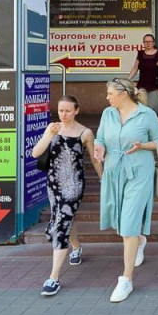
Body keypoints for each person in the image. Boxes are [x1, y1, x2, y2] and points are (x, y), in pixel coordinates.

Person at [93, 77, 158, 304]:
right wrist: (99, 146)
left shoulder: (146, 114)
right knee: (123, 222)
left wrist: (142, 145)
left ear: (123, 94)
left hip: (139, 171)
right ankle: (139, 241)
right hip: (114, 169)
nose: (107, 97)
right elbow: (100, 137)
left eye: (110, 93)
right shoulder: (108, 114)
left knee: (128, 223)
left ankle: (126, 279)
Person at [30, 95, 101, 297]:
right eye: (61, 110)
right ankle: (76, 246)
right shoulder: (53, 128)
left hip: (74, 184)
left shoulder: (85, 133)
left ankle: (53, 278)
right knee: (64, 218)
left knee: (61, 224)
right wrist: (48, 136)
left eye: (68, 110)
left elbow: (95, 159)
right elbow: (36, 153)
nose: (64, 114)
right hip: (54, 183)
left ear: (76, 111)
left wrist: (103, 178)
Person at [130, 33, 158, 127]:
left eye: (150, 41)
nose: (147, 43)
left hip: (155, 85)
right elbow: (135, 68)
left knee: (152, 106)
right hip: (142, 85)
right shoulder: (140, 54)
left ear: (153, 42)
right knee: (142, 105)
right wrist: (128, 79)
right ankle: (146, 123)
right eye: (145, 42)